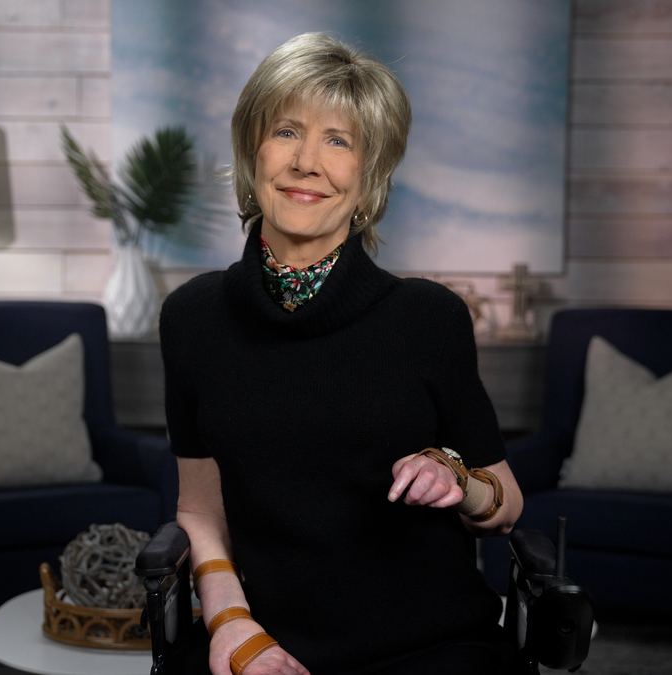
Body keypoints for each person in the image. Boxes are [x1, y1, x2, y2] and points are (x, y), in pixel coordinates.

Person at [159, 32, 524, 675]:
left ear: (370, 174)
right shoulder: (192, 317)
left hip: (430, 642)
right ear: (253, 150)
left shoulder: (429, 317)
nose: (307, 162)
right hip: (259, 635)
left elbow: (505, 507)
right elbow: (198, 508)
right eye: (286, 132)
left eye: (339, 141)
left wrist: (456, 478)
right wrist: (233, 627)